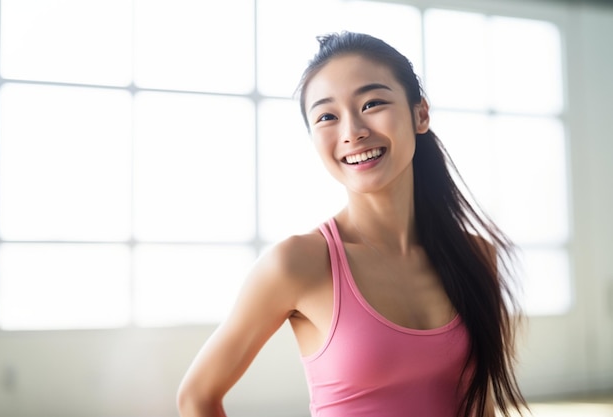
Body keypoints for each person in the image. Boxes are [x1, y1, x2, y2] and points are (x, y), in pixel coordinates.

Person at [177, 31, 528, 417]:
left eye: (372, 103)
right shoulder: (297, 263)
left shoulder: (477, 256)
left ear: (420, 114)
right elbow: (196, 397)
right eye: (327, 116)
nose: (352, 132)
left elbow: (481, 404)